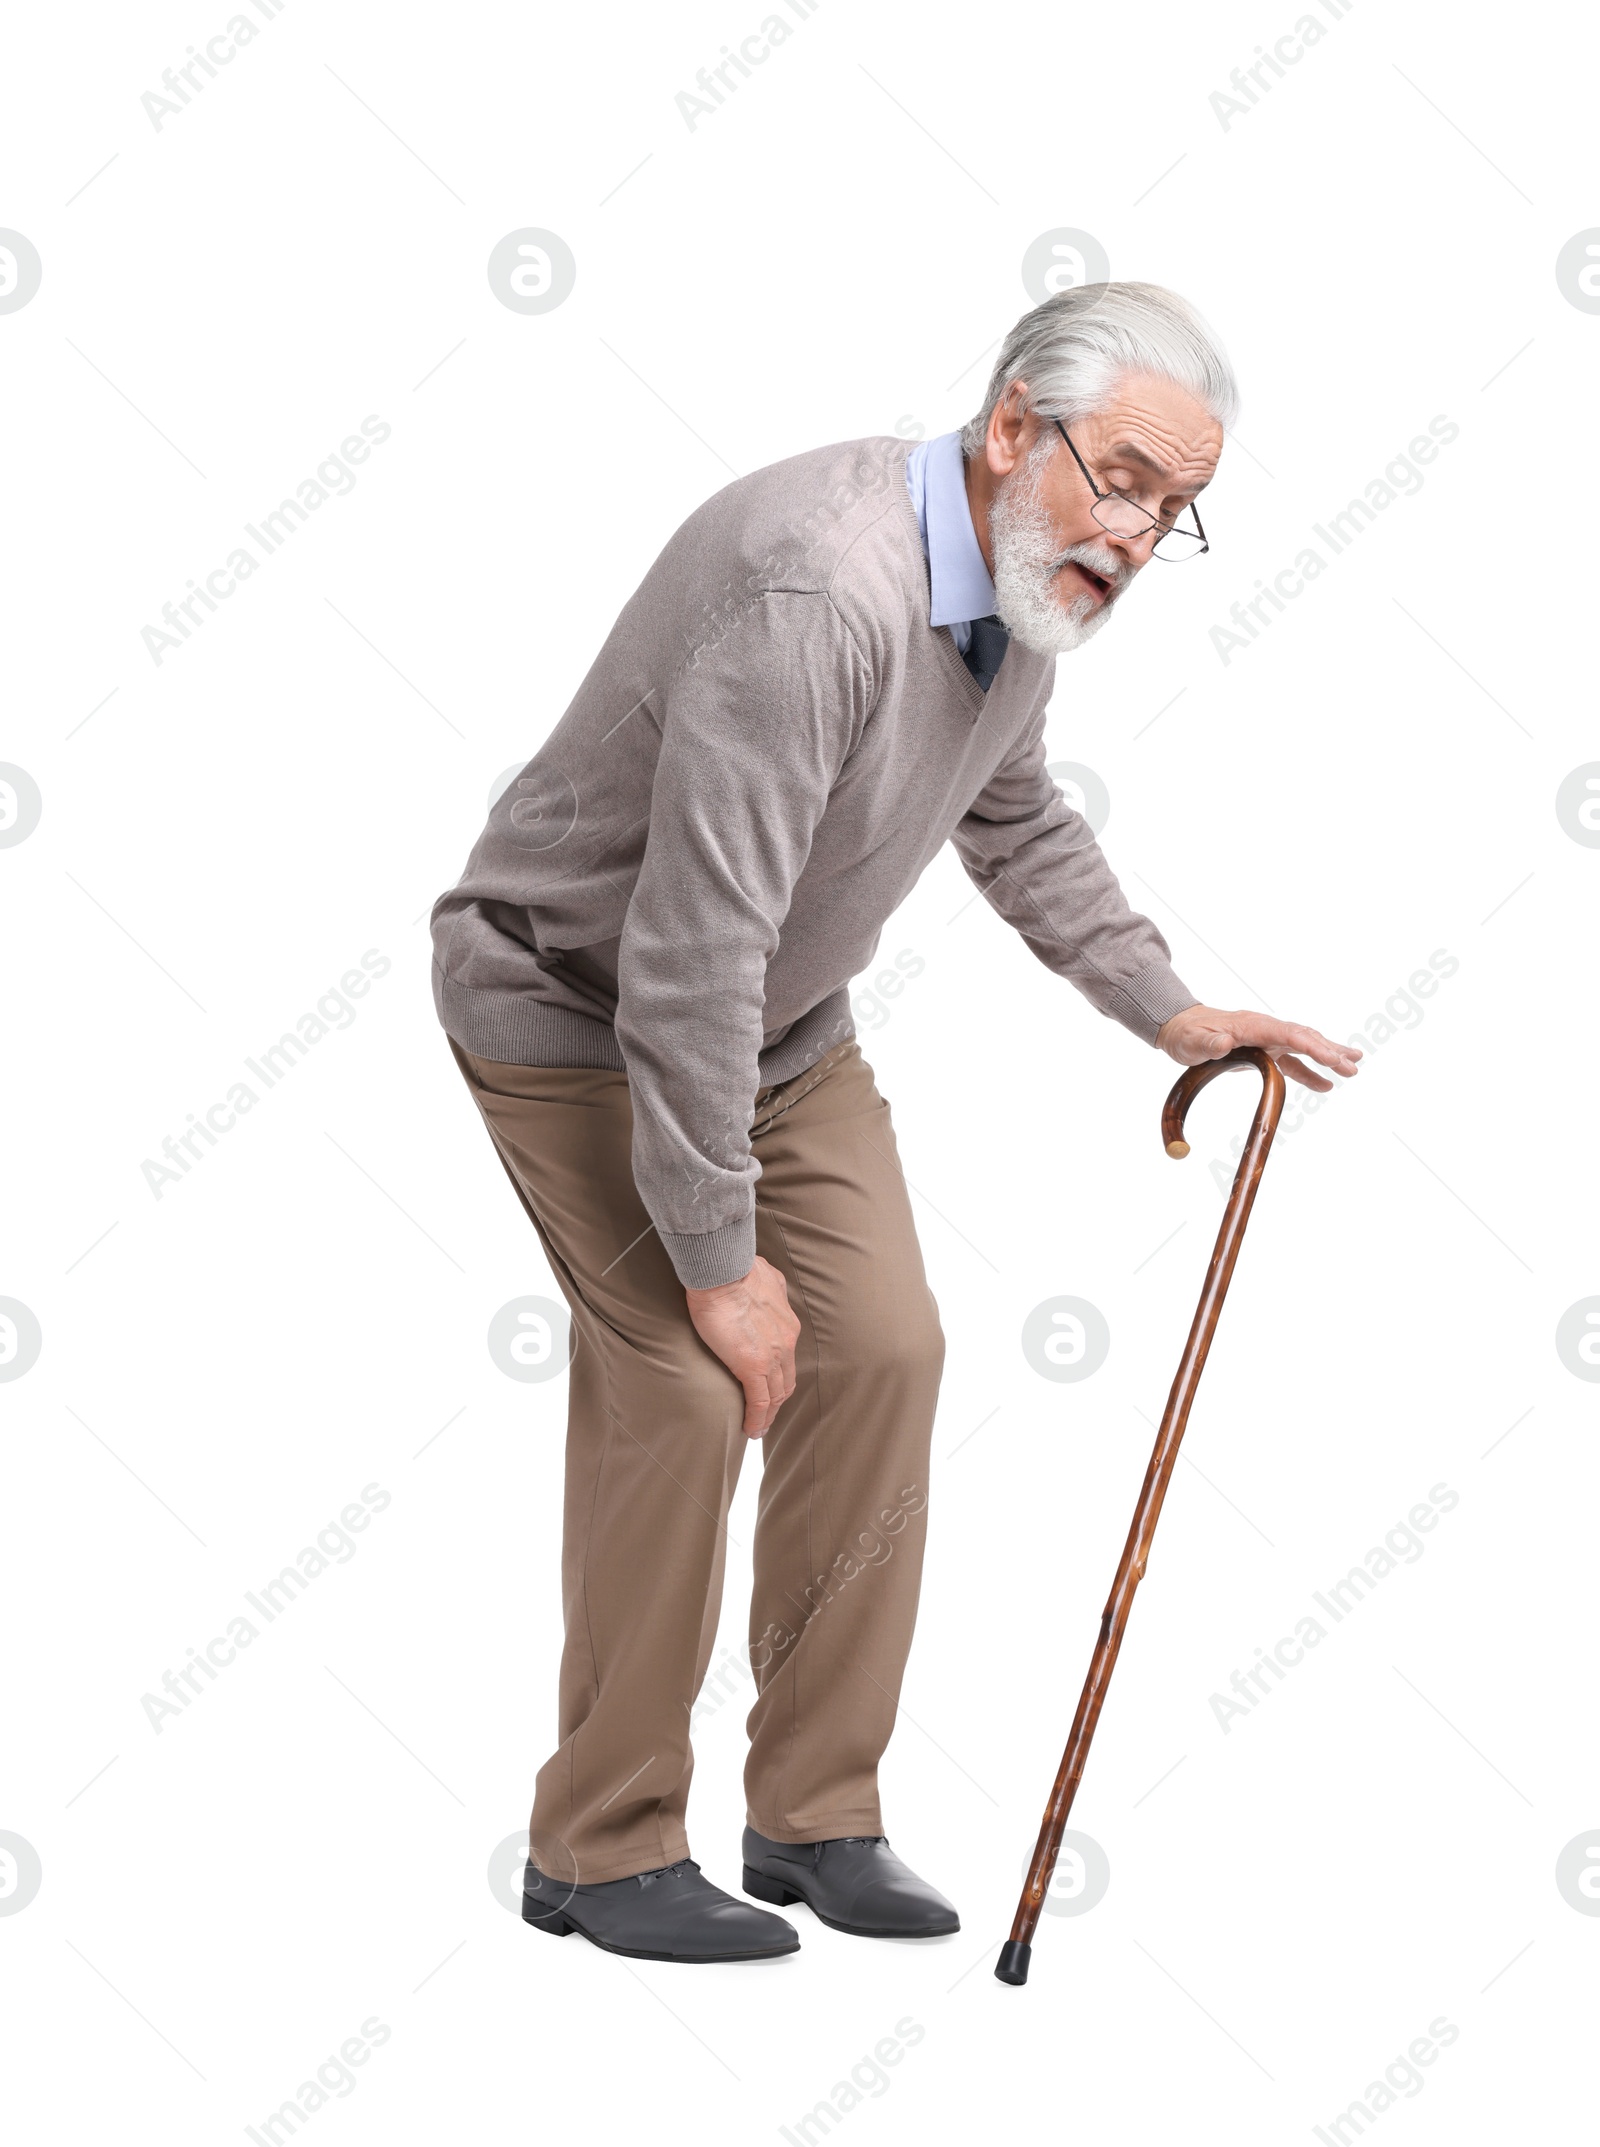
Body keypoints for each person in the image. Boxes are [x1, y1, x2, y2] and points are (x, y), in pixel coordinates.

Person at [429, 280, 1360, 1965]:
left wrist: (1168, 1005)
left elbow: (1010, 817)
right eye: (1127, 482)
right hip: (575, 1006)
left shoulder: (1019, 588)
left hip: (774, 1033)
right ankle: (601, 1844)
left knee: (886, 1353)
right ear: (1014, 427)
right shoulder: (823, 591)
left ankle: (812, 1813)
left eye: (1178, 511)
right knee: (686, 1382)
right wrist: (718, 1263)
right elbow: (688, 950)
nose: (1144, 537)